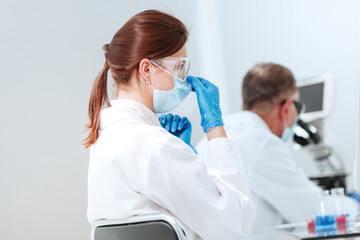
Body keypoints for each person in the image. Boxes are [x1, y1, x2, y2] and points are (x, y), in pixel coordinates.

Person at [83, 10, 255, 240]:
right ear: (147, 69)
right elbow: (235, 225)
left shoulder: (105, 139)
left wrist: (184, 157)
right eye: (180, 67)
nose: (184, 79)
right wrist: (215, 128)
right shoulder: (153, 144)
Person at [196, 63, 359, 237]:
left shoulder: (216, 134)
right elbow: (312, 210)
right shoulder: (262, 142)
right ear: (287, 108)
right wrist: (354, 203)